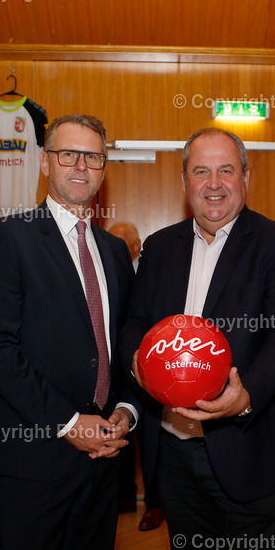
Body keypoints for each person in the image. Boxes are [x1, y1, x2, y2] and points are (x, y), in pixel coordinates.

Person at [120, 127, 275, 550]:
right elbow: (134, 326)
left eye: (226, 169)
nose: (214, 183)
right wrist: (137, 361)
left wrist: (245, 395)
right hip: (176, 458)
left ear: (246, 176)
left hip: (249, 451)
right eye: (200, 171)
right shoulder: (159, 248)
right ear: (184, 181)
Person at [0, 114, 140, 550]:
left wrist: (126, 411)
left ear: (104, 168)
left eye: (93, 156)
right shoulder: (6, 238)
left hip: (105, 454)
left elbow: (126, 344)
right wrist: (70, 422)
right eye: (69, 154)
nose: (81, 166)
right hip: (36, 451)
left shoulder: (113, 251)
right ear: (45, 163)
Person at [108, 220, 164, 530]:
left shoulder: (148, 271)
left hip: (146, 370)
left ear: (134, 246)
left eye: (123, 244)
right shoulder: (106, 268)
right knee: (119, 432)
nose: (116, 249)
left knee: (149, 439)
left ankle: (154, 504)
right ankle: (124, 496)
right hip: (112, 370)